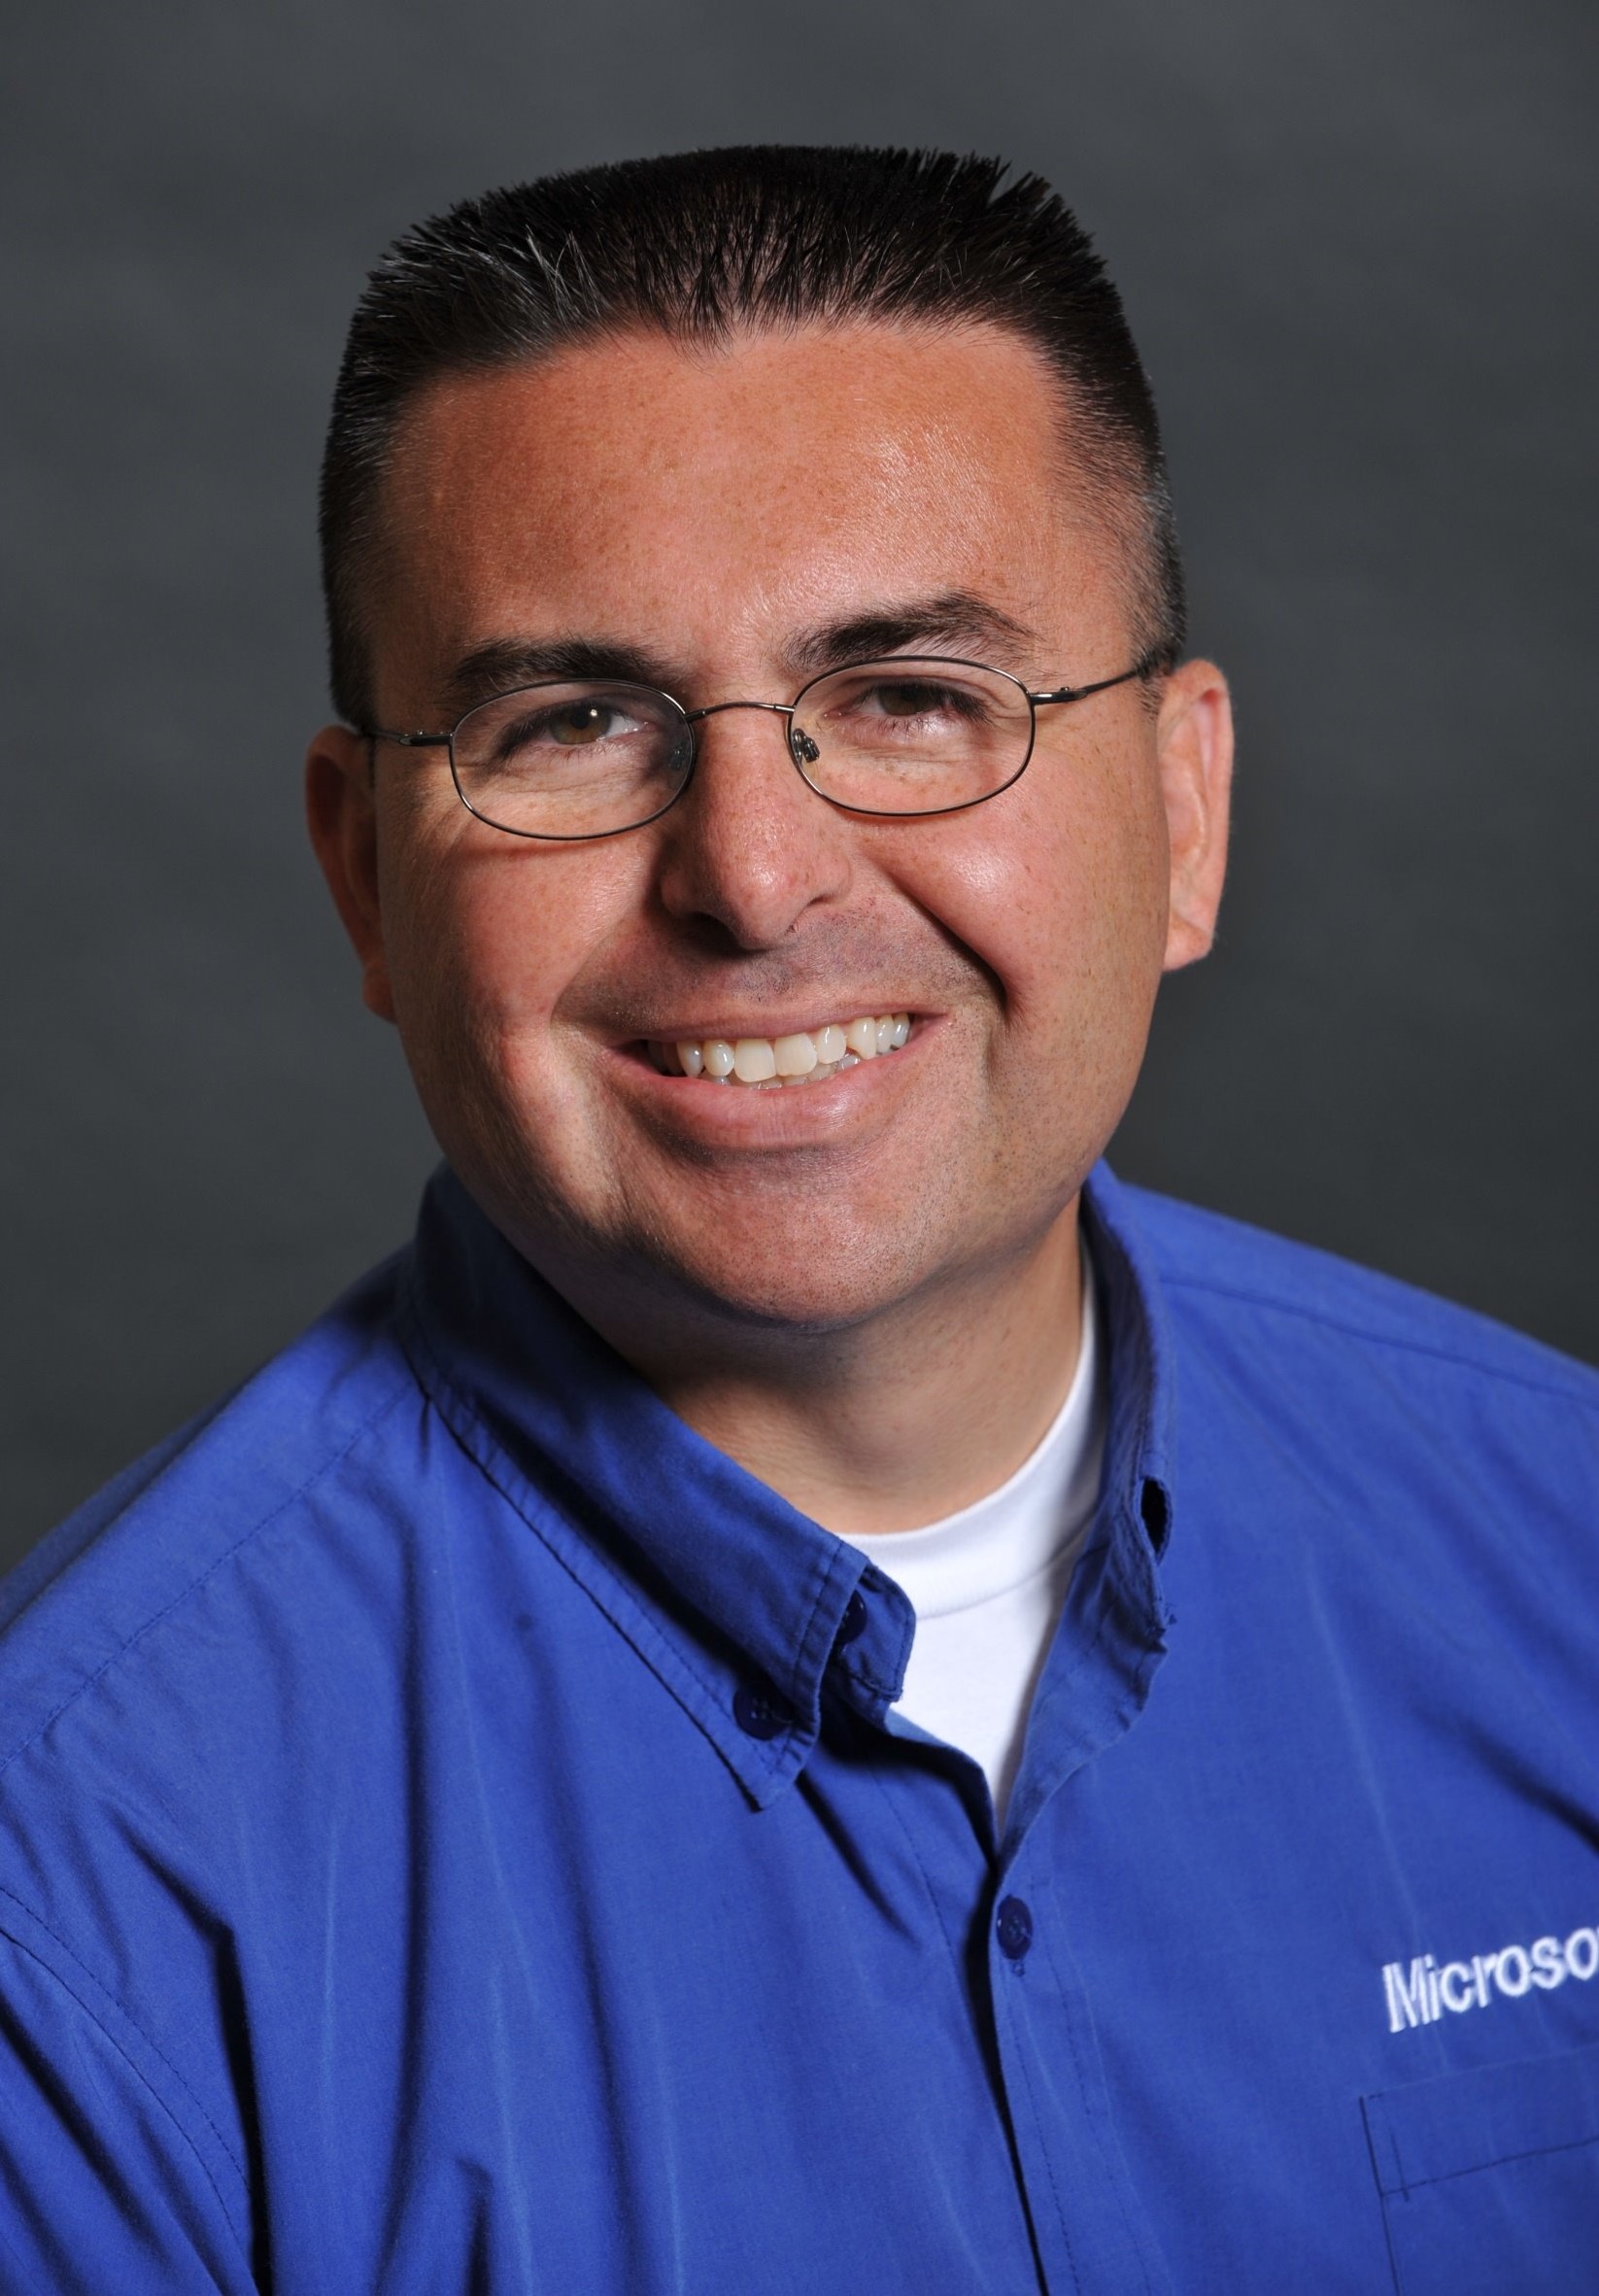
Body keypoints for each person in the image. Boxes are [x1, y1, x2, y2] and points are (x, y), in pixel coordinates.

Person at [1, 144, 1595, 2296]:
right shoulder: (72, 1887)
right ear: (365, 875)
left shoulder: (1563, 1555)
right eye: (573, 725)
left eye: (915, 699)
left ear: (1184, 808)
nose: (752, 878)